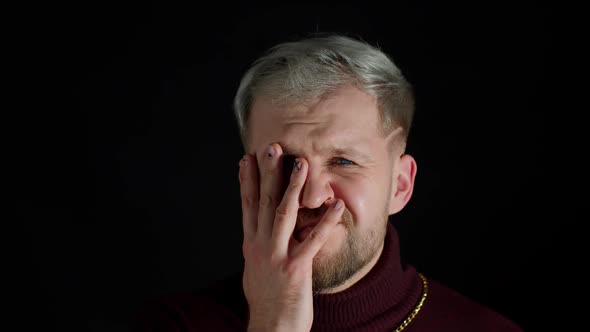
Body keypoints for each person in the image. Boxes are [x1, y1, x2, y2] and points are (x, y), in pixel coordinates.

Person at [134, 34, 523, 332]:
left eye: (344, 161)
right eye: (284, 164)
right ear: (246, 177)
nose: (312, 195)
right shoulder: (174, 324)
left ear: (400, 187)